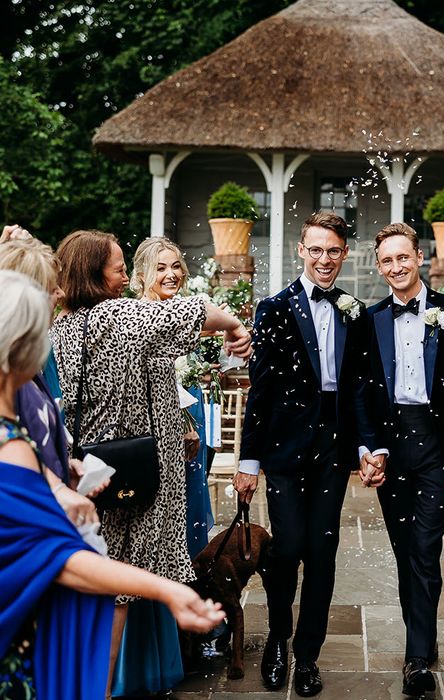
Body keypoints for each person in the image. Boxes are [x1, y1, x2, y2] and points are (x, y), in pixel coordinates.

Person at [0, 270, 226, 700]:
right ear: (22, 349)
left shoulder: (15, 433)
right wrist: (166, 589)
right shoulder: (11, 443)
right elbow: (59, 559)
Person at [49, 229, 251, 693]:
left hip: (90, 469)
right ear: (95, 274)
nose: (124, 276)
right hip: (133, 473)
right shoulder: (117, 316)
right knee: (118, 593)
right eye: (120, 268)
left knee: (99, 585)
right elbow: (196, 310)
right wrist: (236, 327)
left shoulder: (65, 324)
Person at [233, 211, 370, 697]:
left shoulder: (356, 310)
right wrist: (248, 461)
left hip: (332, 449)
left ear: (344, 253)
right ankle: (277, 640)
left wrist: (364, 445)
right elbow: (261, 389)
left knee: (323, 551)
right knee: (287, 548)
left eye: (333, 250)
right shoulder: (273, 309)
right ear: (301, 251)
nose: (324, 259)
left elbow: (360, 387)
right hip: (284, 449)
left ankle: (308, 655)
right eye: (316, 250)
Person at [359, 223, 444, 697]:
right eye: (387, 261)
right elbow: (364, 393)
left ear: (420, 258)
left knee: (424, 547)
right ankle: (423, 637)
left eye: (403, 258)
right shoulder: (369, 320)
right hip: (394, 451)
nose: (396, 267)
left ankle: (416, 659)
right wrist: (371, 448)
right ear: (379, 266)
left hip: (438, 450)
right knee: (402, 547)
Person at [106, 237, 215, 698]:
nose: (171, 275)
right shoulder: (136, 318)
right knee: (143, 552)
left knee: (178, 547)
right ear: (140, 274)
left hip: (178, 445)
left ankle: (179, 649)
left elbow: (167, 387)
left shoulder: (174, 313)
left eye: (177, 267)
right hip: (147, 455)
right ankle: (138, 669)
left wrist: (187, 420)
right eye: (161, 268)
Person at [0, 238, 106, 527]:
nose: (61, 292)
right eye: (51, 286)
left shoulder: (28, 367)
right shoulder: (9, 378)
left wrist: (61, 466)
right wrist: (56, 487)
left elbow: (30, 440)